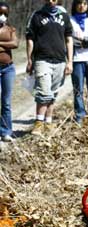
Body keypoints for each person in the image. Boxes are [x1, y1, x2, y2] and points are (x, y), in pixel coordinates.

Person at [26, 0, 73, 136]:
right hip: (42, 59)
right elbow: (30, 39)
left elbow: (69, 39)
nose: (51, 1)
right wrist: (29, 60)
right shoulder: (37, 15)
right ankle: (38, 123)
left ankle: (48, 122)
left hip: (59, 60)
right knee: (44, 92)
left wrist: (70, 61)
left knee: (53, 93)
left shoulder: (64, 16)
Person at [70, 0, 88, 124]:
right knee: (78, 90)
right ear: (75, 5)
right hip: (76, 59)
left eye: (84, 4)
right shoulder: (69, 20)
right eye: (79, 3)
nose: (82, 6)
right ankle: (80, 115)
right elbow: (69, 39)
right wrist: (84, 42)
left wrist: (83, 39)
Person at [0, 2, 18, 142]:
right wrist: (6, 45)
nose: (2, 16)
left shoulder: (10, 28)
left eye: (5, 14)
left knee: (6, 102)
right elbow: (9, 44)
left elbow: (15, 44)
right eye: (0, 13)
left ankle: (6, 131)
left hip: (8, 68)